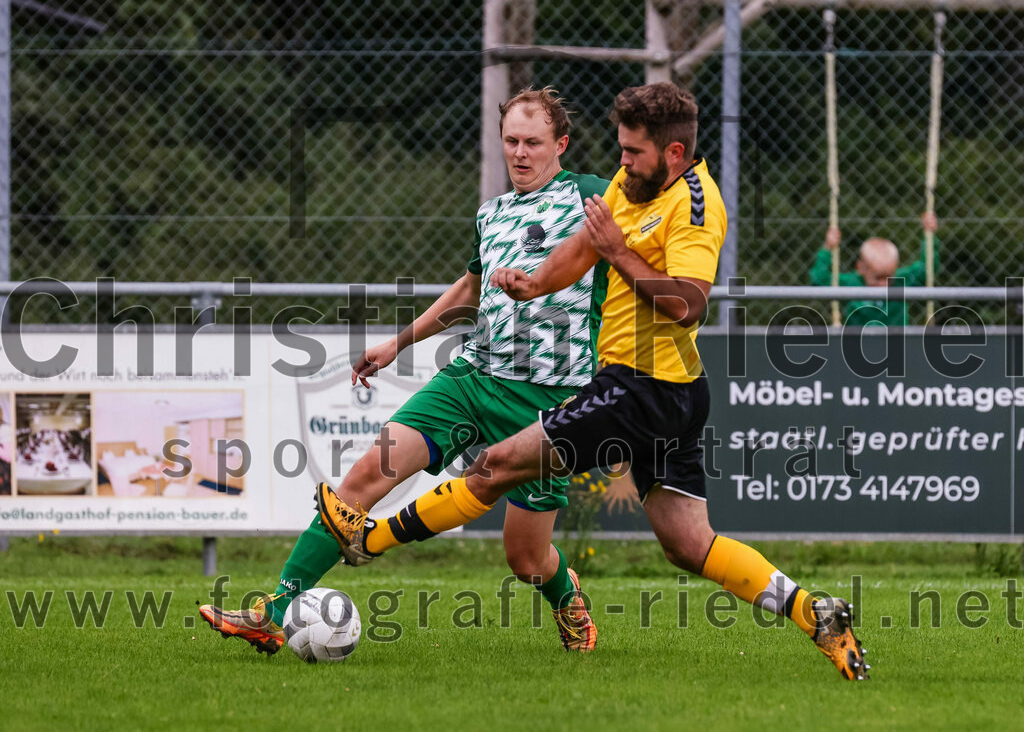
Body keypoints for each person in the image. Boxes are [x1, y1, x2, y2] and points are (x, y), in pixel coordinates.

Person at [318, 82, 870, 680]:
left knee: (495, 466)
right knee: (689, 545)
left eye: (633, 151)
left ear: (675, 153)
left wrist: (621, 253)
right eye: (621, 148)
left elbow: (689, 305)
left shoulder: (696, 204)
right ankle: (817, 614)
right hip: (670, 391)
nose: (622, 161)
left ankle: (370, 540)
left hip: (641, 389)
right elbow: (583, 249)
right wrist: (533, 283)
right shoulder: (630, 185)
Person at [200, 86, 609, 653]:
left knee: (526, 559)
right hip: (471, 379)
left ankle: (566, 597)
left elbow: (647, 224)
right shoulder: (491, 214)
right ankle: (272, 611)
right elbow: (469, 290)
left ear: (560, 144)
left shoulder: (591, 196)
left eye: (533, 143)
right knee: (365, 476)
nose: (519, 153)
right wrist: (399, 343)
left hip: (547, 399)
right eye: (511, 140)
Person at [809, 212, 940, 325]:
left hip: (895, 343)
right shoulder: (852, 283)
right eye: (878, 278)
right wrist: (828, 248)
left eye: (888, 278)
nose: (883, 285)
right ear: (860, 268)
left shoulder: (900, 282)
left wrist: (929, 236)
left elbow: (928, 269)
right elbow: (819, 280)